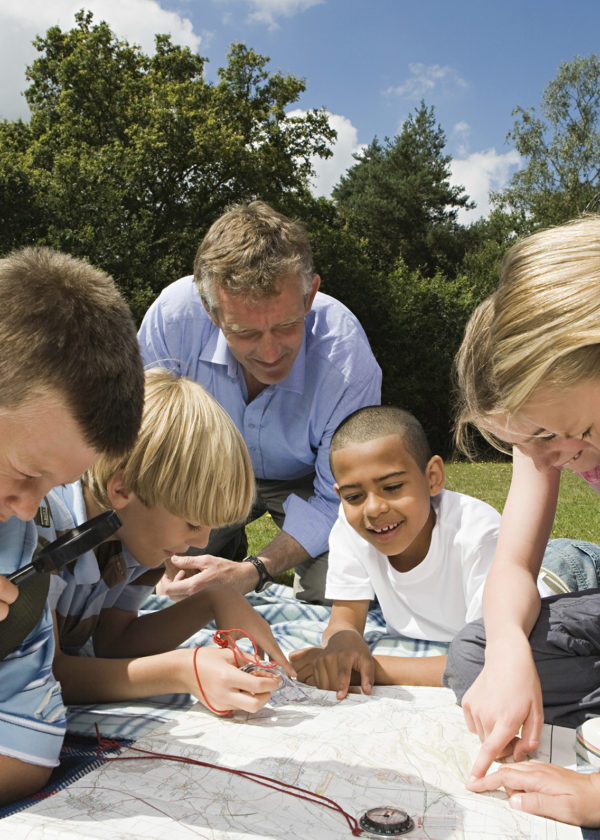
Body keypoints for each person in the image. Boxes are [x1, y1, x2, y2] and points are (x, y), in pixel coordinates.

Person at [138, 200, 382, 605]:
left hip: (310, 481)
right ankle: (220, 547)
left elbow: (340, 493)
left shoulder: (347, 357)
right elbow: (141, 445)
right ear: (210, 311)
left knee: (339, 591)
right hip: (205, 467)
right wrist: (163, 551)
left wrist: (256, 569)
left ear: (310, 297)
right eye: (245, 332)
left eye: (287, 326)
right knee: (168, 587)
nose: (270, 353)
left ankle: (235, 560)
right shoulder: (174, 316)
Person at [443, 216, 600, 828]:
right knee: (477, 657)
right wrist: (510, 650)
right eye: (535, 444)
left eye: (576, 436)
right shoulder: (555, 421)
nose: (557, 456)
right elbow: (513, 562)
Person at [41, 368, 292, 713]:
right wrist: (180, 670)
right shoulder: (45, 528)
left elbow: (114, 644)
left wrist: (213, 601)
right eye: (191, 523)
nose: (203, 541)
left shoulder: (136, 537)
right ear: (123, 488)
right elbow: (49, 677)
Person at [0, 246, 144, 805]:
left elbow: (24, 755)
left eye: (51, 486)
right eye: (24, 473)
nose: (23, 508)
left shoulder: (19, 542)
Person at [290, 405, 502, 699]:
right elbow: (345, 616)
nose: (374, 508)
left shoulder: (478, 534)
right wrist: (344, 642)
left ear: (433, 478)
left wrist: (371, 668)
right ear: (341, 497)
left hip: (560, 571)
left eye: (392, 487)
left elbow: (491, 661)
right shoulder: (351, 526)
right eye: (354, 497)